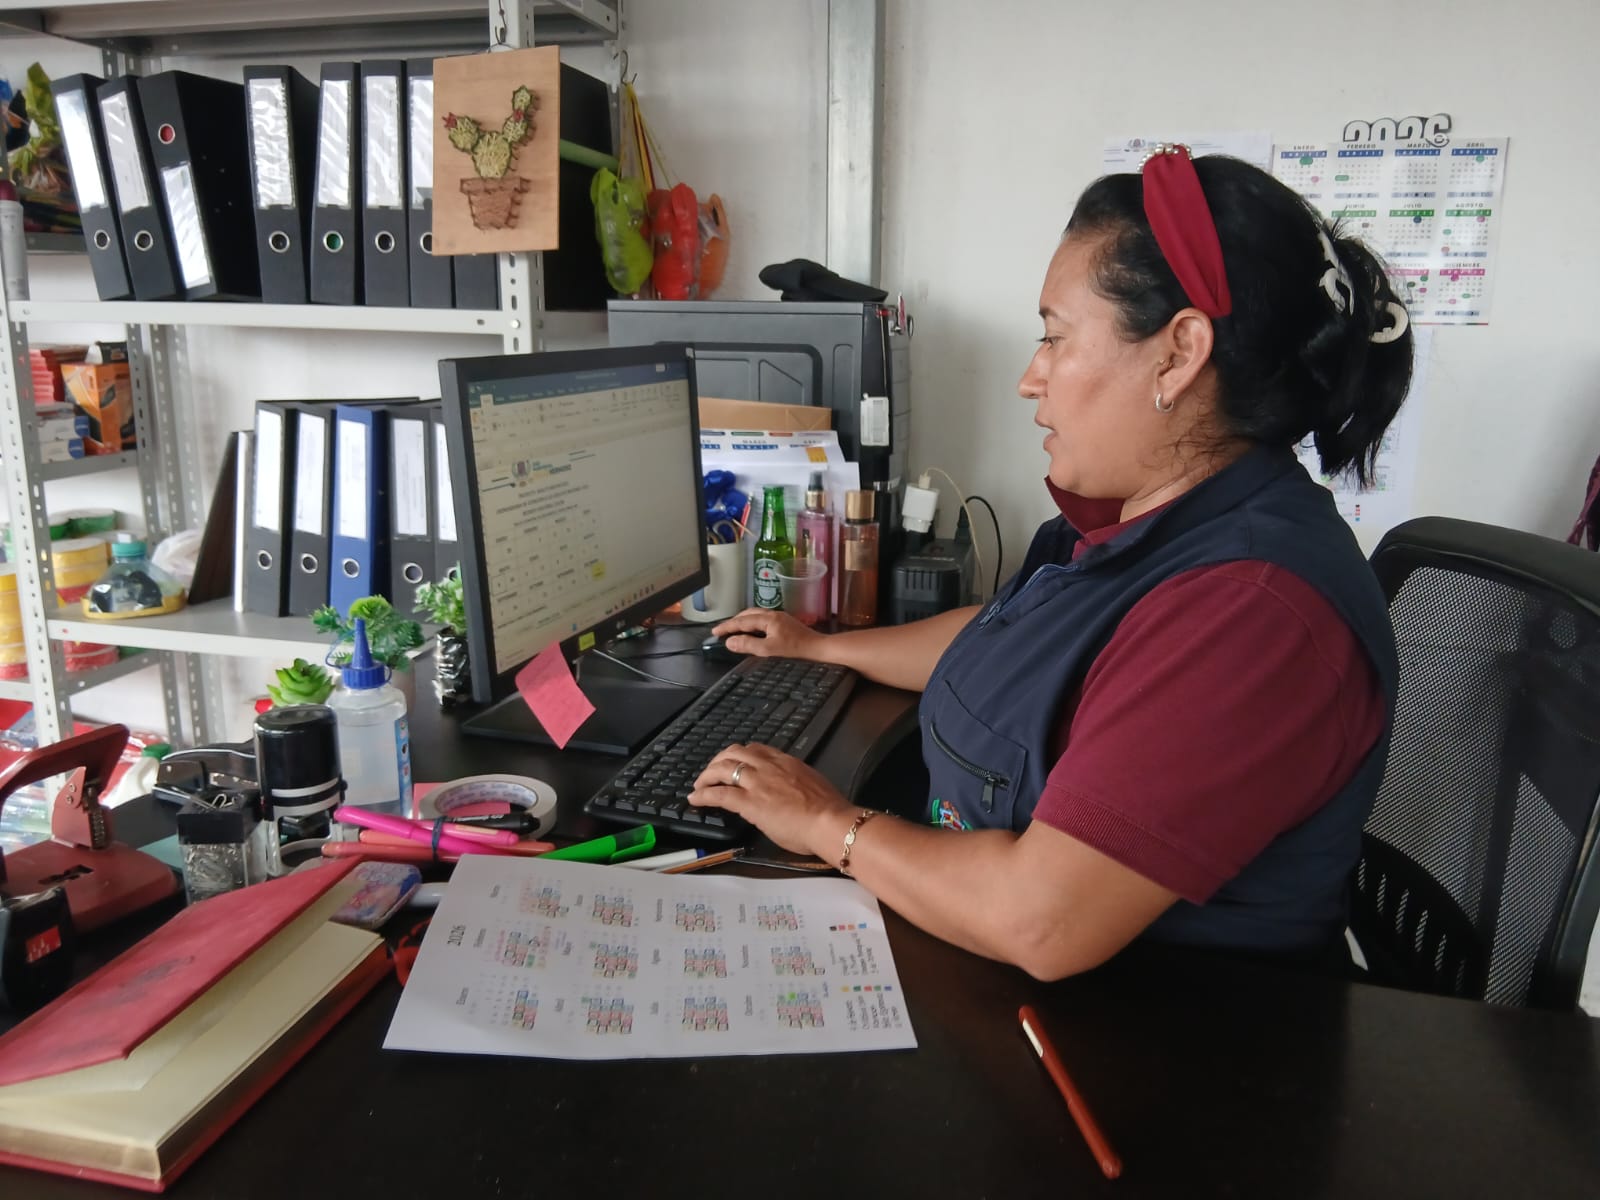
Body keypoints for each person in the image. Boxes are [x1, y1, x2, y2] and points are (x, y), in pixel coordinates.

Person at [690, 145, 1414, 980]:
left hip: (1152, 1030)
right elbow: (1007, 639)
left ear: (1178, 353)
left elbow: (1041, 920)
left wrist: (827, 825)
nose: (1031, 379)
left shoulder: (1252, 612)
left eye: (1055, 337)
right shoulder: (1156, 522)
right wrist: (821, 647)